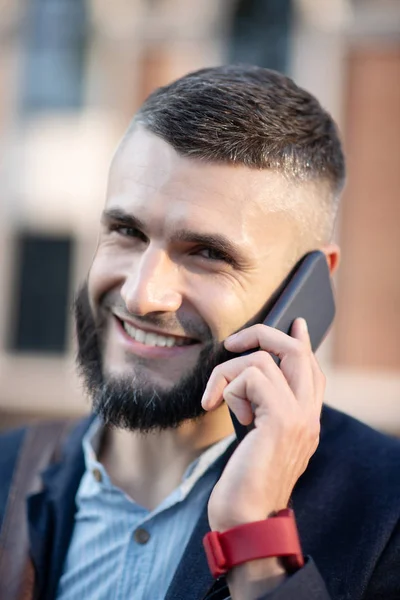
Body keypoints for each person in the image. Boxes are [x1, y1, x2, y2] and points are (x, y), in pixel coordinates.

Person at [0, 65, 399, 600]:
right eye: (126, 231)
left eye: (208, 254)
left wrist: (255, 548)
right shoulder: (7, 472)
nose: (142, 295)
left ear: (307, 288)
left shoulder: (387, 516)